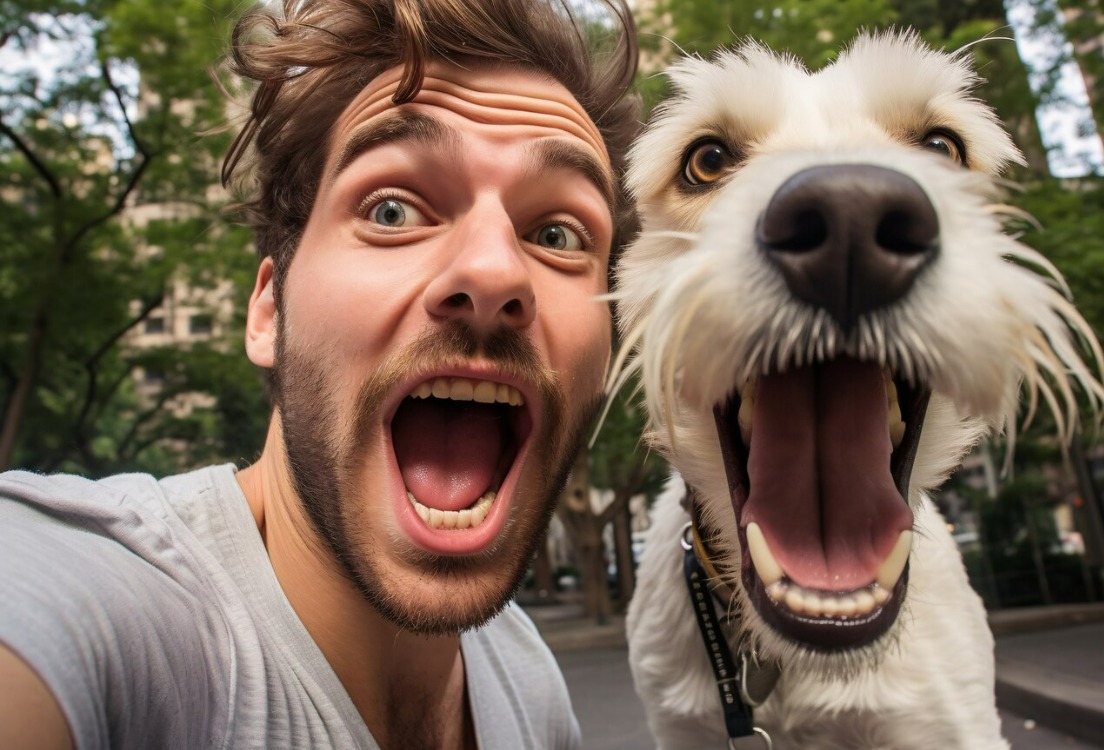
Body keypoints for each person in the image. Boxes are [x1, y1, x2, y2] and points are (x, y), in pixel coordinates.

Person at [0, 0, 640, 747]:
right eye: (394, 210)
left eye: (558, 234)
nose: (495, 271)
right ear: (269, 309)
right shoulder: (96, 606)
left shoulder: (527, 682)